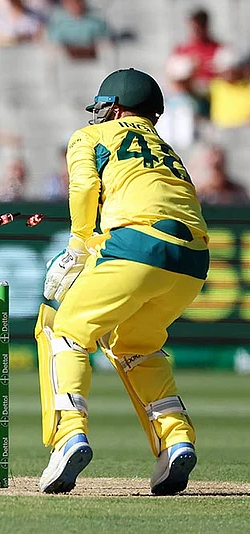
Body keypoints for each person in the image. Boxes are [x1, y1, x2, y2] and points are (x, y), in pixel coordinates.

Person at [36, 68, 208, 495]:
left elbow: (83, 189)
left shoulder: (90, 137)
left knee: (65, 330)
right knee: (136, 345)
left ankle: (68, 437)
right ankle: (175, 439)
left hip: (138, 245)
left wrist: (78, 247)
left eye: (101, 108)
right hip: (193, 260)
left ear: (113, 107)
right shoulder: (165, 147)